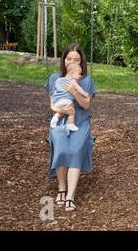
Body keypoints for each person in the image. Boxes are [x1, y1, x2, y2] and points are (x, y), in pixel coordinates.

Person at [45, 43, 97, 211]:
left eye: (76, 59)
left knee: (75, 150)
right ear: (63, 60)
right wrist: (59, 110)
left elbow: (86, 104)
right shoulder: (55, 78)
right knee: (60, 147)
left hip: (80, 121)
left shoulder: (86, 80)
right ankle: (61, 188)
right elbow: (52, 104)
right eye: (69, 58)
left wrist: (74, 91)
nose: (72, 61)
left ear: (81, 62)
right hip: (60, 119)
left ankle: (70, 196)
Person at [50, 63, 89, 132]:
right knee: (71, 112)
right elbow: (78, 89)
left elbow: (55, 86)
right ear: (72, 73)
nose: (80, 76)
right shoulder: (72, 80)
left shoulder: (59, 80)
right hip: (66, 100)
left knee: (62, 111)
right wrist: (85, 94)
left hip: (57, 101)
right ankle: (71, 125)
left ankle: (55, 119)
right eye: (79, 74)